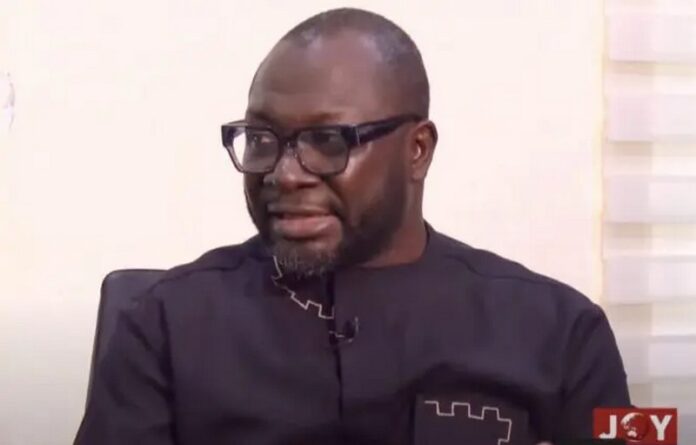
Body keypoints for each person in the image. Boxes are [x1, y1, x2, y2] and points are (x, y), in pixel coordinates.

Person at [74, 7, 630, 445]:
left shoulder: (565, 333)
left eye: (327, 140)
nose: (285, 174)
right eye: (262, 139)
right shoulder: (162, 325)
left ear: (417, 150)